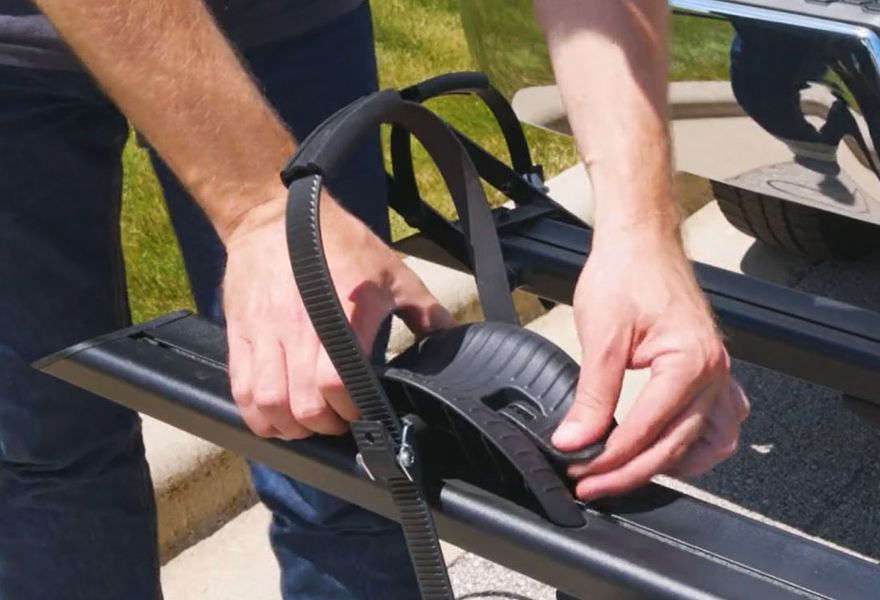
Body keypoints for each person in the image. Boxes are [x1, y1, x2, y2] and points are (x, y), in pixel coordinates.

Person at [0, 0, 749, 598]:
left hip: (285, 22)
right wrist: (262, 206)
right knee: (50, 458)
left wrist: (642, 227)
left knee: (347, 455)